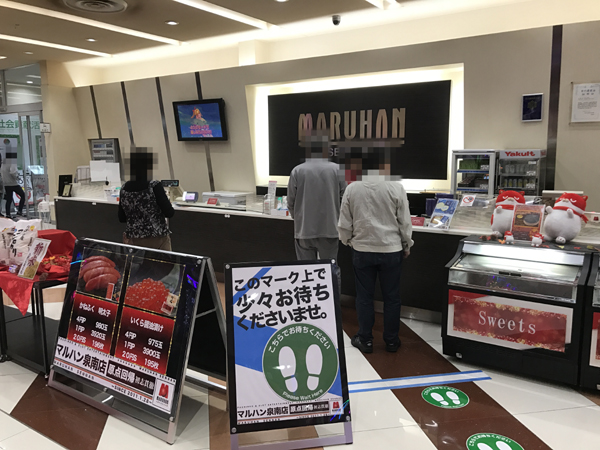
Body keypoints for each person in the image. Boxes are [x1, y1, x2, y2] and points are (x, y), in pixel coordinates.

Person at [338, 152, 413, 354]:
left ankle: (365, 339)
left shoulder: (352, 188)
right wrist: (407, 244)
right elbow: (405, 222)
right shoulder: (396, 187)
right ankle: (391, 341)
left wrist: (348, 241)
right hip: (391, 249)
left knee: (364, 297)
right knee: (392, 297)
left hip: (362, 249)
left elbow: (344, 222)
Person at [287, 130, 346, 272]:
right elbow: (344, 199)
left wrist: (298, 218)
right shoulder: (337, 170)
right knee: (330, 270)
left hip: (304, 230)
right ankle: (332, 288)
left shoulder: (297, 171)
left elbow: (290, 201)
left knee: (305, 271)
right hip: (329, 229)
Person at [118, 148, 174, 251]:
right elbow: (169, 212)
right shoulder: (154, 186)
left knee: (138, 262)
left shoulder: (124, 188)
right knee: (162, 261)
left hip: (134, 239)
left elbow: (121, 218)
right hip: (157, 238)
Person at [1, 141, 25, 219]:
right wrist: (17, 177)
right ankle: (20, 211)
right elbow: (13, 171)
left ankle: (8, 214)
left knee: (9, 199)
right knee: (23, 195)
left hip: (6, 184)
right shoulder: (12, 161)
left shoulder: (3, 162)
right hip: (13, 183)